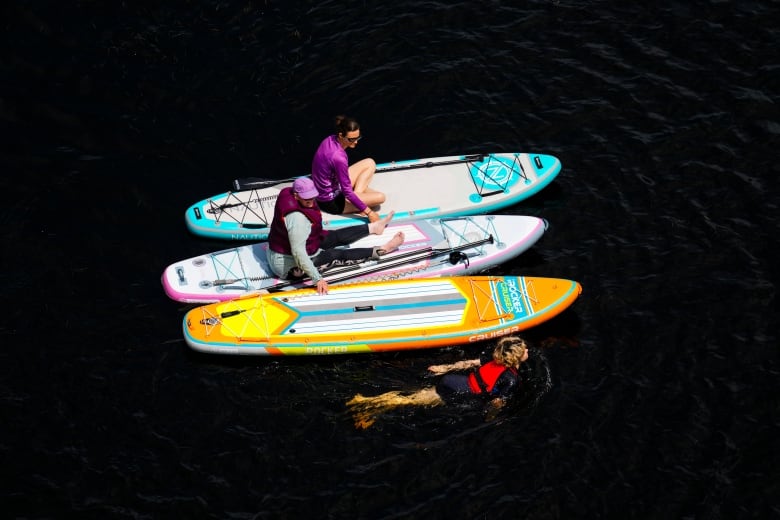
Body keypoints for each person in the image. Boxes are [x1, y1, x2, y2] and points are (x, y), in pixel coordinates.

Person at [346, 336, 530, 429]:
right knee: (411, 400)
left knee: (416, 396)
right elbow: (497, 402)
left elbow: (469, 363)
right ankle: (364, 403)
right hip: (459, 389)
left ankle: (366, 402)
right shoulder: (512, 379)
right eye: (524, 350)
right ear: (516, 357)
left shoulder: (496, 360)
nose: (527, 350)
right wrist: (490, 419)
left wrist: (444, 368)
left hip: (456, 380)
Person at [267, 177, 404, 295]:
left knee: (333, 236)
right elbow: (299, 253)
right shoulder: (298, 220)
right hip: (289, 267)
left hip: (287, 249)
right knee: (335, 254)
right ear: (296, 195)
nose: (311, 201)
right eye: (307, 199)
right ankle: (383, 249)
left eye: (312, 196)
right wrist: (317, 278)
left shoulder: (289, 193)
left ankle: (374, 227)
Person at [311, 115, 385, 223]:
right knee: (380, 197)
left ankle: (357, 196)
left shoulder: (330, 139)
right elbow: (347, 192)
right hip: (331, 202)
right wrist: (369, 213)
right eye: (352, 139)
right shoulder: (339, 157)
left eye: (358, 137)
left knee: (370, 162)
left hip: (327, 188)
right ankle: (357, 201)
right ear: (341, 135)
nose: (356, 142)